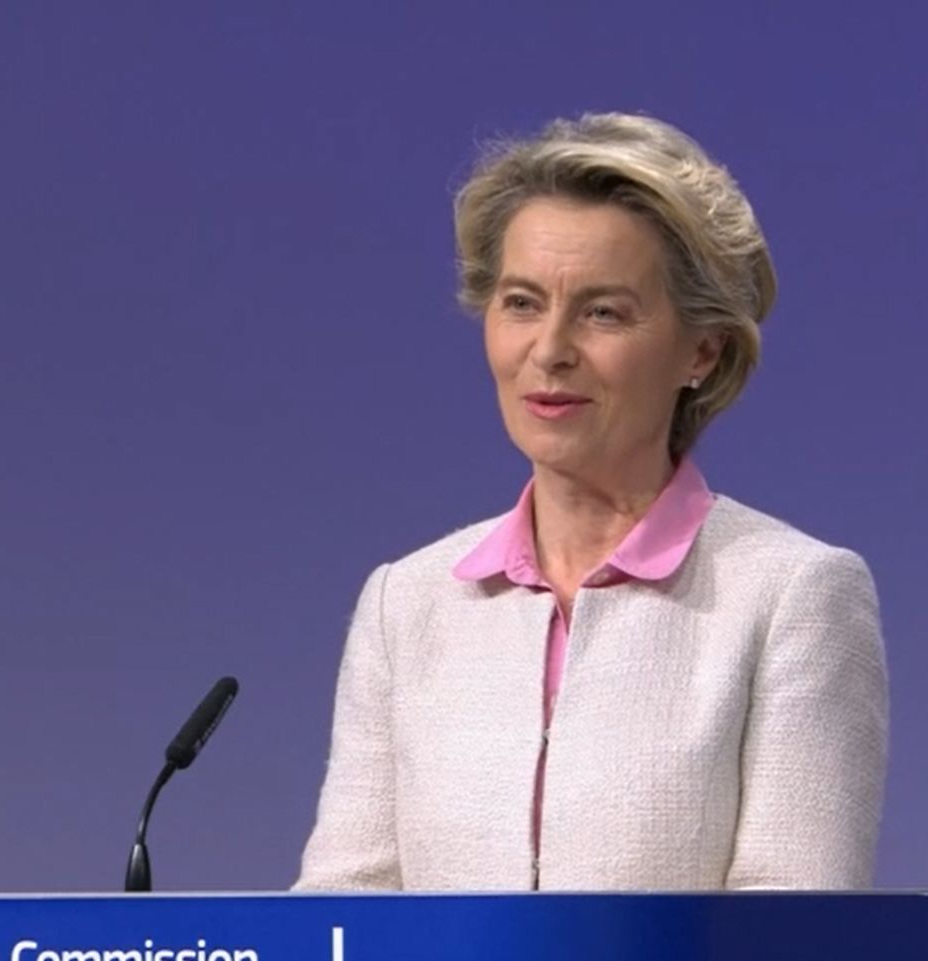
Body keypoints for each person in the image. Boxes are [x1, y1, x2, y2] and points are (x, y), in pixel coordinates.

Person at [294, 113, 887, 891]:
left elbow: (792, 940)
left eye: (603, 312)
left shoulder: (792, 598)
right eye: (521, 303)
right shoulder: (405, 604)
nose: (550, 350)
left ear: (701, 350)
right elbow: (342, 913)